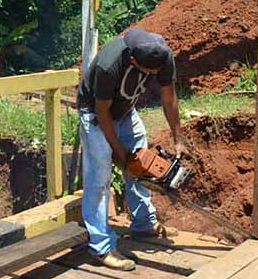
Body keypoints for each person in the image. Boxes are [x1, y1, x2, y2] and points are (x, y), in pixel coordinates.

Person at [76, 27, 186, 271]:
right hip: (94, 114)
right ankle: (101, 246)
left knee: (141, 163)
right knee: (100, 175)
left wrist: (178, 137)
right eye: (150, 73)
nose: (154, 76)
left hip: (125, 111)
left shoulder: (162, 55)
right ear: (134, 60)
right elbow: (102, 112)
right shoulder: (109, 64)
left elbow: (169, 97)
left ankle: (143, 224)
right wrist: (119, 152)